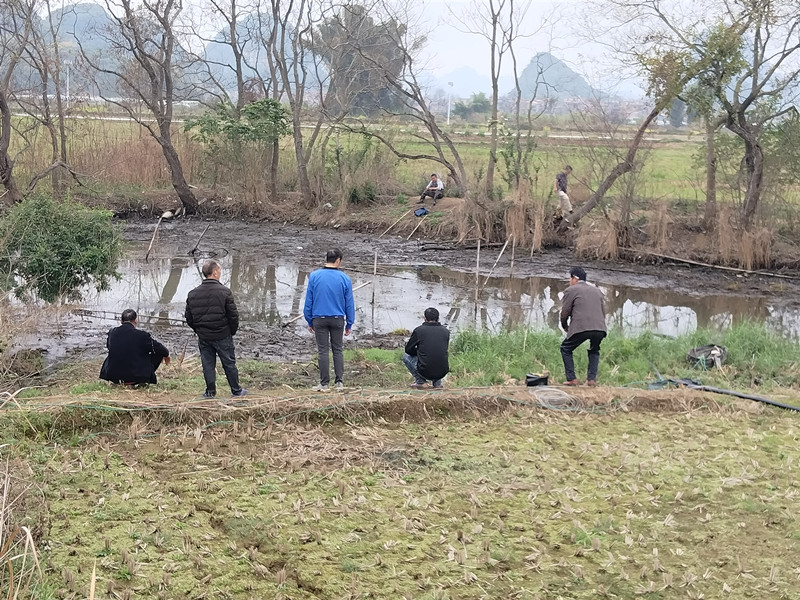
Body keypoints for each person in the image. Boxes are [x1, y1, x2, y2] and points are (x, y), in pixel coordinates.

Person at [185, 259, 247, 399]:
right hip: (222, 335)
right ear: (214, 272)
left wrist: (199, 330)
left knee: (207, 364)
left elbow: (189, 318)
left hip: (204, 336)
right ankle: (236, 391)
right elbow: (233, 316)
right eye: (219, 270)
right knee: (229, 363)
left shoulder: (192, 294)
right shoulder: (224, 292)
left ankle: (210, 392)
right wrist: (231, 331)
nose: (220, 273)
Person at [303, 248, 355, 391]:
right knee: (337, 350)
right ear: (338, 260)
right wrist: (349, 323)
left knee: (323, 351)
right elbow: (349, 303)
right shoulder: (345, 278)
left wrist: (309, 320)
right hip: (338, 319)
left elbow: (309, 301)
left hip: (319, 318)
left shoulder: (314, 276)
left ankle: (324, 383)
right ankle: (339, 382)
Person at [560, 266, 607, 386]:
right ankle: (591, 380)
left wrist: (565, 326)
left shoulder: (571, 290)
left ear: (575, 278)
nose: (569, 281)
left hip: (581, 326)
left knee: (565, 348)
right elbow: (603, 312)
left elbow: (565, 312)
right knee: (594, 350)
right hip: (600, 328)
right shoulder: (597, 291)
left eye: (570, 278)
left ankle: (572, 379)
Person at [100, 309, 170, 385]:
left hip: (113, 376)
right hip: (135, 377)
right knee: (158, 352)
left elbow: (109, 347)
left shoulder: (112, 332)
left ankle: (120, 379)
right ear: (136, 320)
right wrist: (166, 355)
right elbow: (161, 349)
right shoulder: (142, 335)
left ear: (121, 321)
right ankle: (142, 379)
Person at [403, 307, 450, 389]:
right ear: (438, 318)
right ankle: (437, 384)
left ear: (425, 319)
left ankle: (420, 382)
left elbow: (408, 350)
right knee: (437, 355)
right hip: (443, 371)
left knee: (406, 357)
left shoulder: (419, 331)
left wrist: (419, 352)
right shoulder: (445, 331)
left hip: (425, 371)